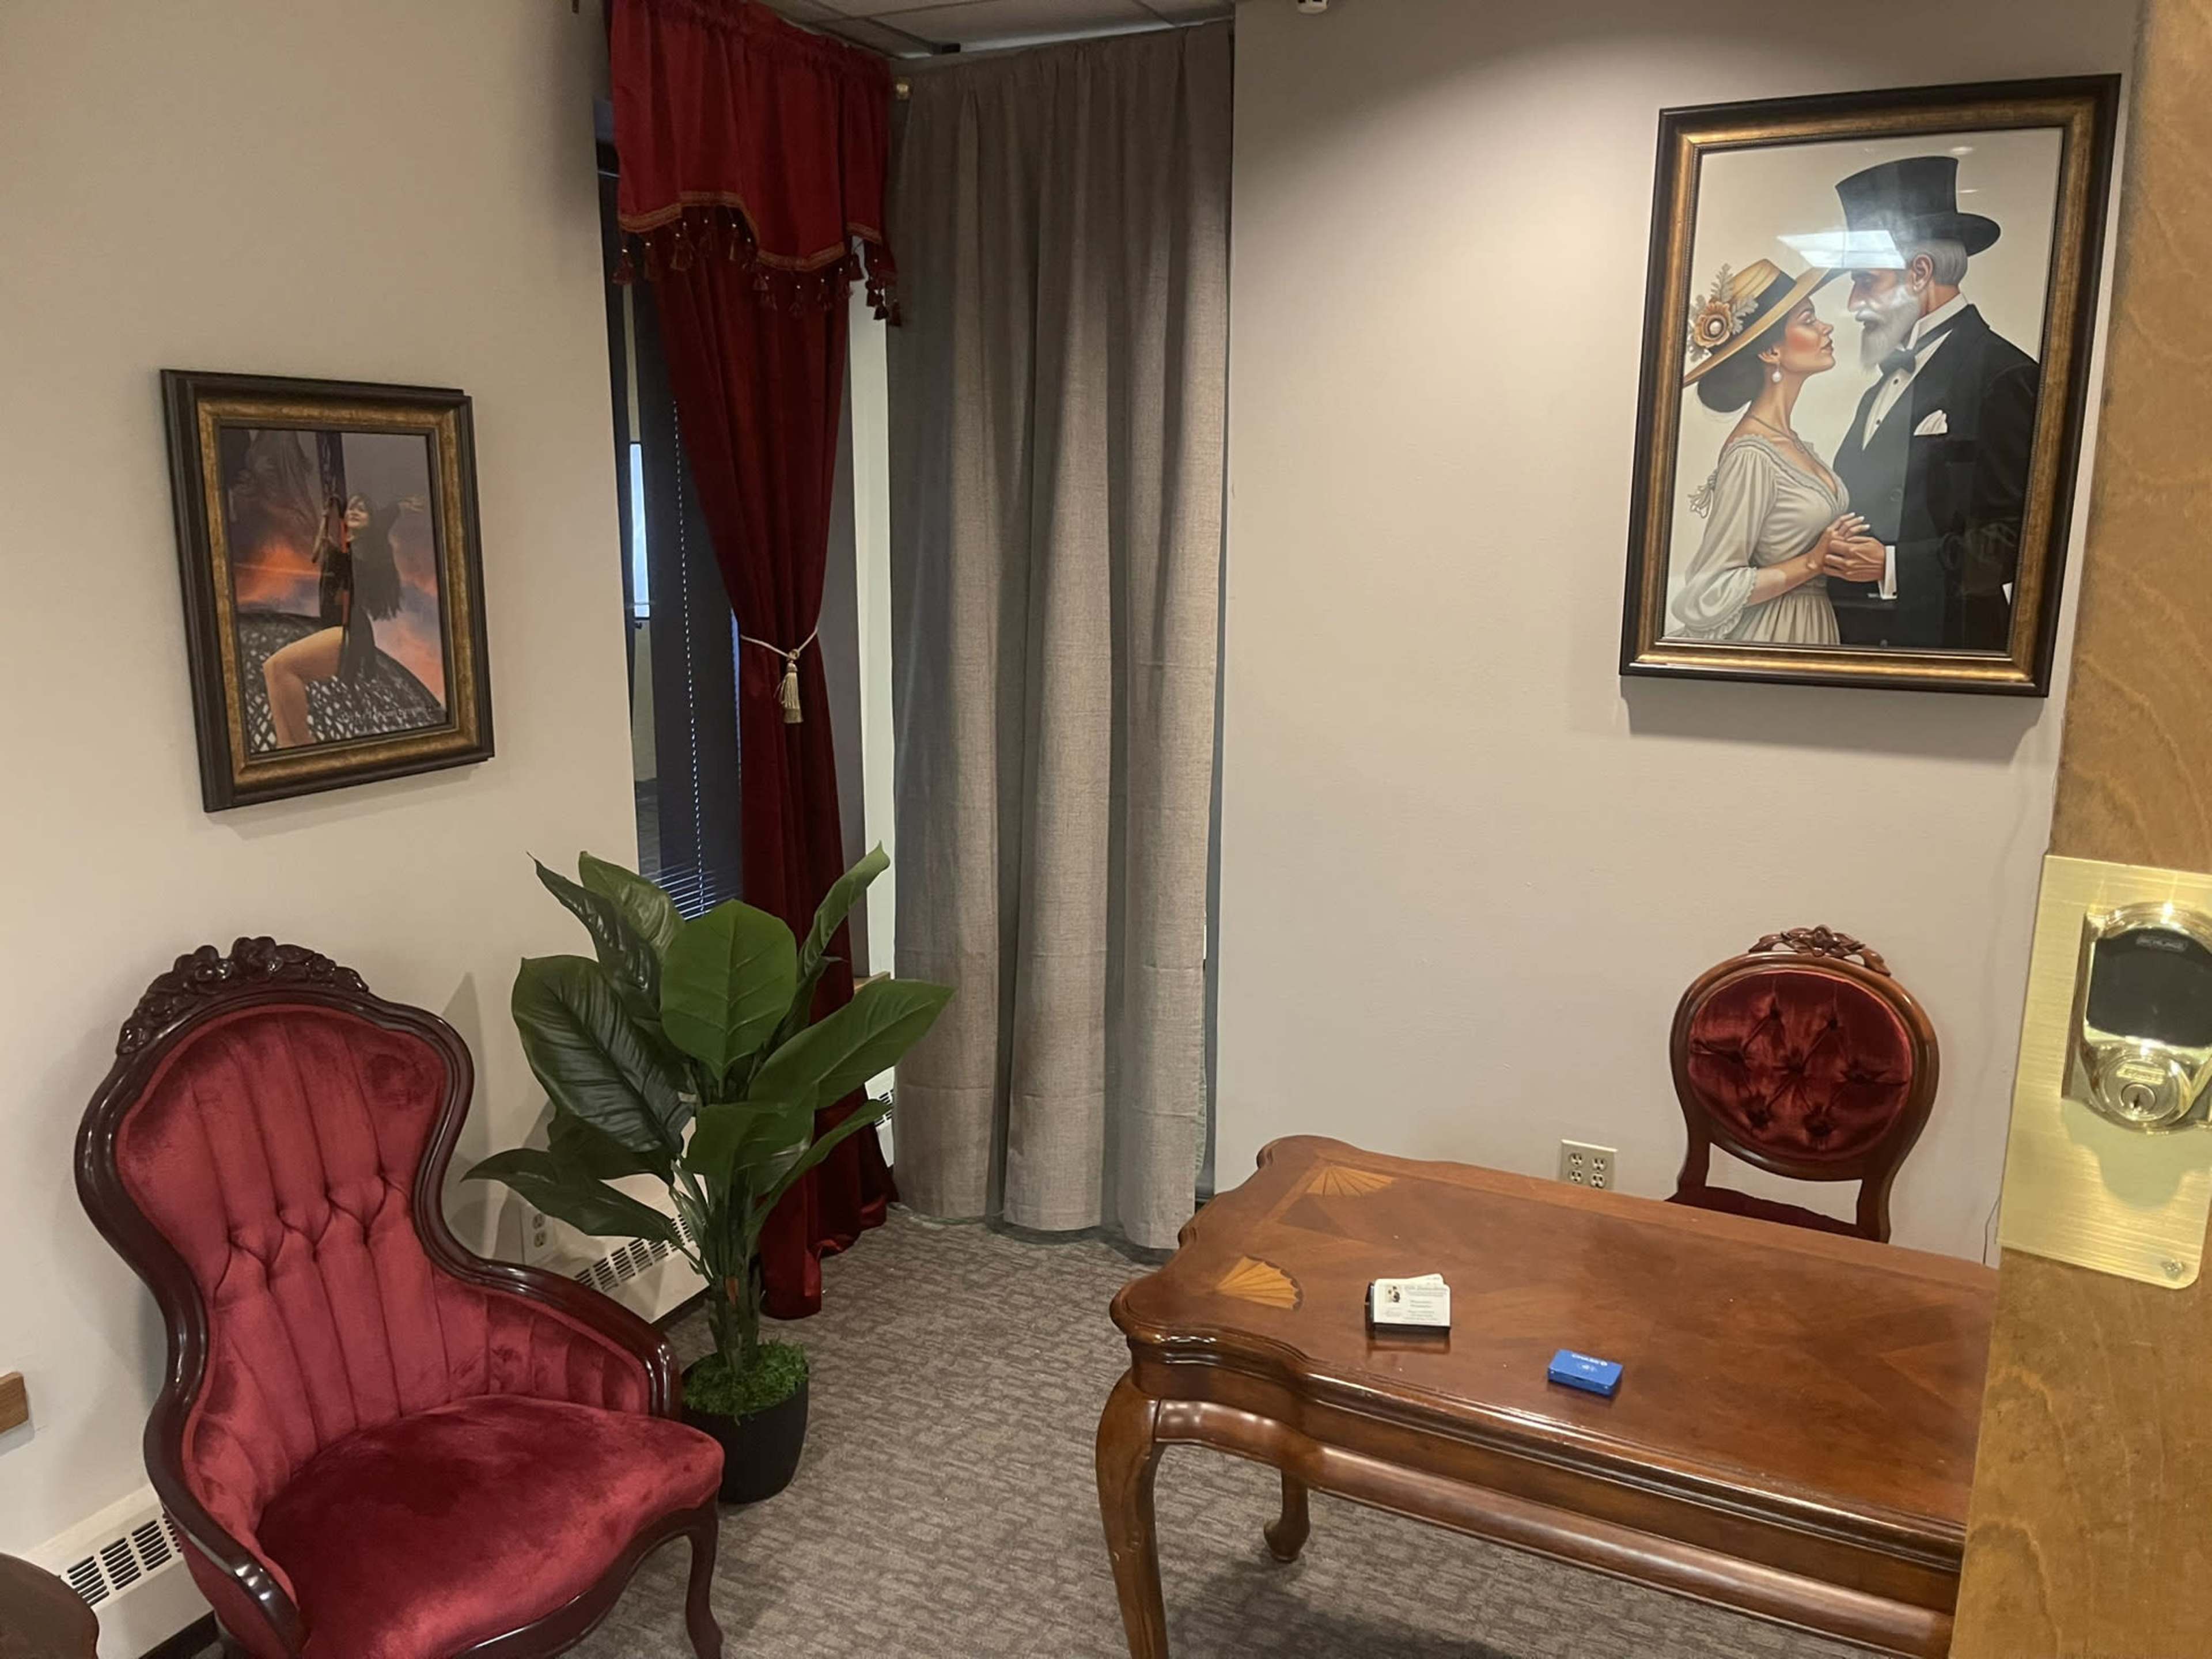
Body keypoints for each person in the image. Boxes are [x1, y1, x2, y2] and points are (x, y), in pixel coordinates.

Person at [1825, 156, 2039, 652]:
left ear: (1920, 272)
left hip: (1949, 648)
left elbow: (2022, 536)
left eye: (1866, 281)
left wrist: (1894, 566)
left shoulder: (2004, 374)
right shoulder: (1883, 381)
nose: (1855, 303)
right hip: (1861, 643)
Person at [1672, 258, 1880, 643]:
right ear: (1771, 352)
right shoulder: (1752, 453)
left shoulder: (1793, 443)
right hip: (1775, 635)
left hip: (1814, 628)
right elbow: (1708, 588)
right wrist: (1813, 561)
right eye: (1808, 319)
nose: (1826, 326)